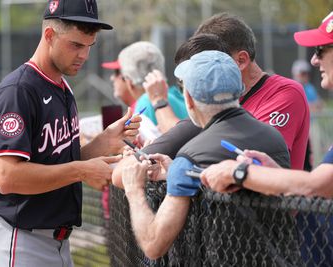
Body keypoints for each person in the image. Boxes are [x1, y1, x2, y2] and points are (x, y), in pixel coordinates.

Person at [0, 1, 141, 266]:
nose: (84, 55)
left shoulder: (62, 87)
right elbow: (6, 177)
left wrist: (105, 141)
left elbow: (58, 160)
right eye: (76, 44)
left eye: (89, 46)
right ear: (49, 35)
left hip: (56, 244)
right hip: (18, 241)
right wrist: (82, 171)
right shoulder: (19, 91)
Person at [121, 51, 300, 264]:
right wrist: (174, 174)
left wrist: (134, 190)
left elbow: (153, 244)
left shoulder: (189, 156)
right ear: (240, 90)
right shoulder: (274, 138)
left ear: (189, 99)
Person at [112, 12, 310, 188]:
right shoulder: (214, 100)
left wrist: (161, 105)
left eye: (213, 60)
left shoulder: (285, 92)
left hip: (271, 221)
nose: (204, 71)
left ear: (241, 60)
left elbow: (249, 159)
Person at [200, 11, 333, 265]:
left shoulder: (285, 91)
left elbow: (318, 186)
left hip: (286, 235)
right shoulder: (225, 100)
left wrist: (237, 172)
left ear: (241, 60)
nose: (314, 61)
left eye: (321, 50)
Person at [102, 41, 188, 135]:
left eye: (117, 72)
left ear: (128, 81)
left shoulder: (146, 102)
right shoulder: (178, 95)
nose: (112, 77)